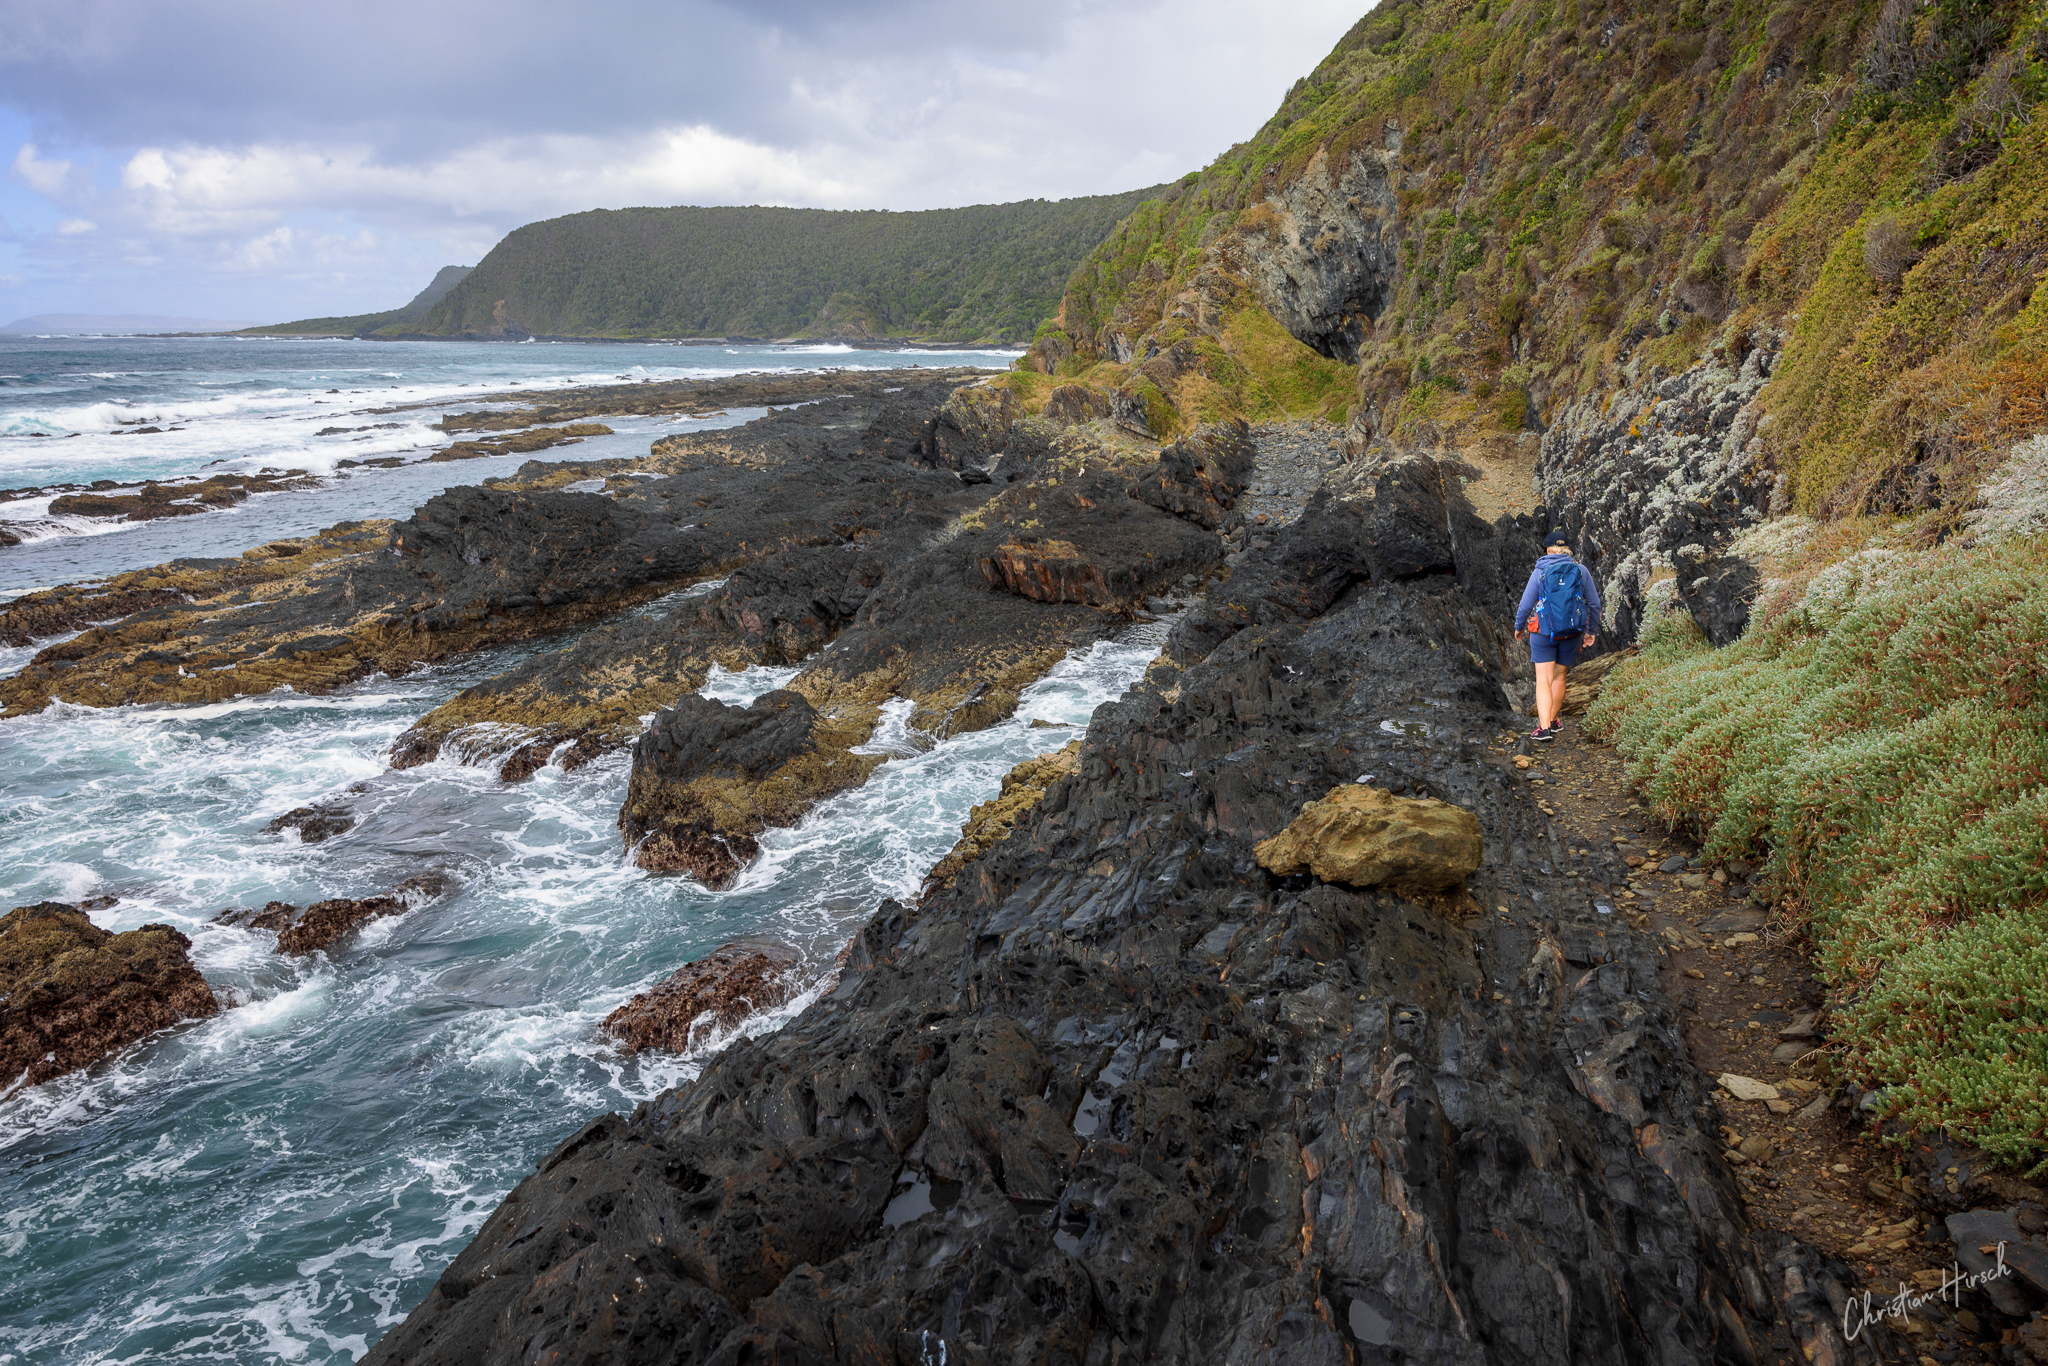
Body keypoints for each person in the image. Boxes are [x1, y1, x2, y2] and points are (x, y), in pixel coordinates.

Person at [1514, 528, 1601, 742]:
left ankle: (1544, 729)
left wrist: (1519, 627)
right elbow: (1594, 604)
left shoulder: (1540, 571)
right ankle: (1553, 721)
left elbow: (1525, 606)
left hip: (1543, 633)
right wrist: (1590, 632)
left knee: (1543, 679)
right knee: (1560, 677)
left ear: (1548, 550)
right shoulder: (1580, 570)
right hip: (1571, 633)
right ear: (1567, 549)